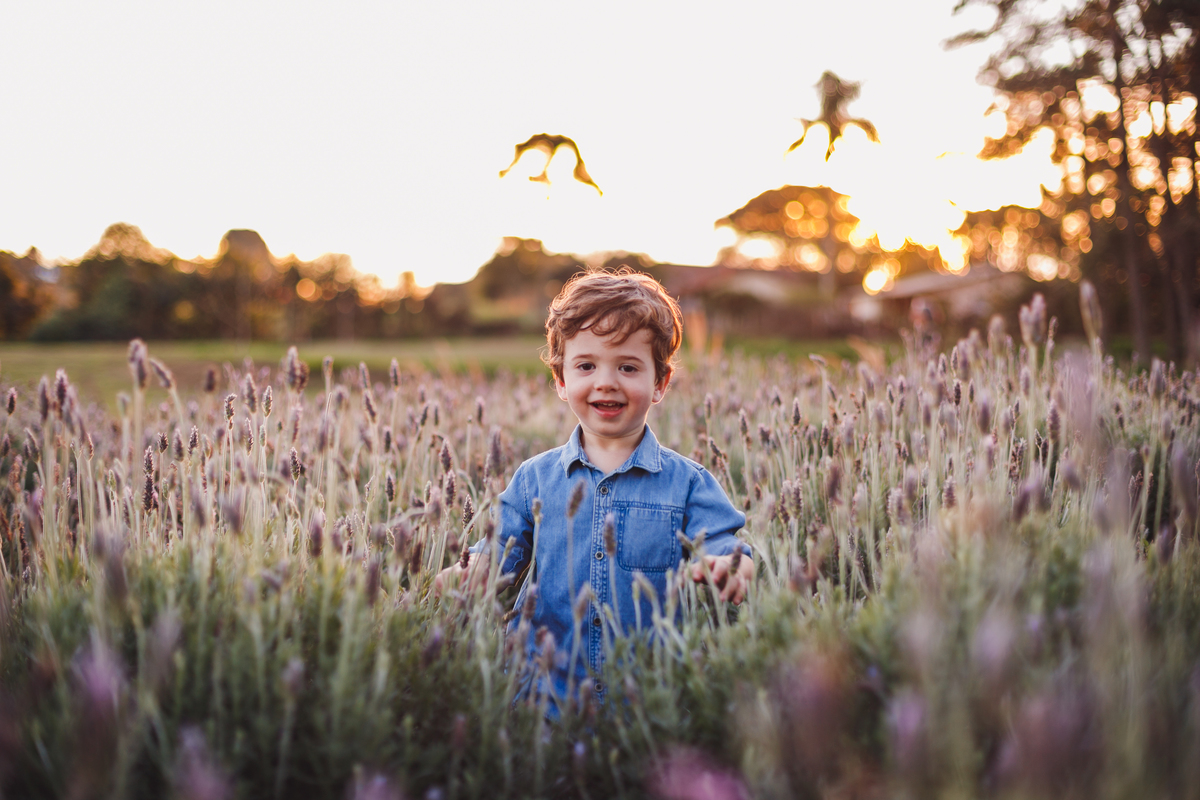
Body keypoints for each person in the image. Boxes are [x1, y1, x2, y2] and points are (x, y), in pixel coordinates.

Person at [435, 268, 753, 709]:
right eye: (586, 366)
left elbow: (722, 543)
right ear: (561, 382)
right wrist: (469, 574)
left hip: (646, 706)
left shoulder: (688, 484)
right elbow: (498, 550)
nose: (606, 381)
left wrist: (731, 566)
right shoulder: (535, 478)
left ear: (659, 383)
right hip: (544, 697)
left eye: (628, 366)